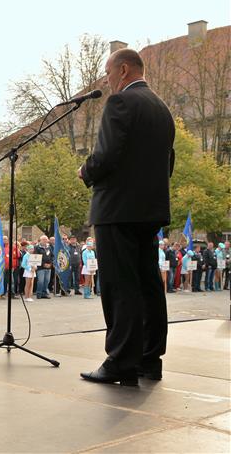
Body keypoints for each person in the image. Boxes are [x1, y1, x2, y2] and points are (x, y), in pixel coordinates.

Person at [78, 48, 175, 386]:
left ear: (123, 69)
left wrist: (86, 170)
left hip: (117, 209)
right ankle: (150, 359)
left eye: (108, 72)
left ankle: (121, 362)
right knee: (148, 284)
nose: (106, 80)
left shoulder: (121, 103)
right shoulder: (162, 110)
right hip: (149, 211)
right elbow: (169, 163)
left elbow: (106, 154)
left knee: (120, 286)